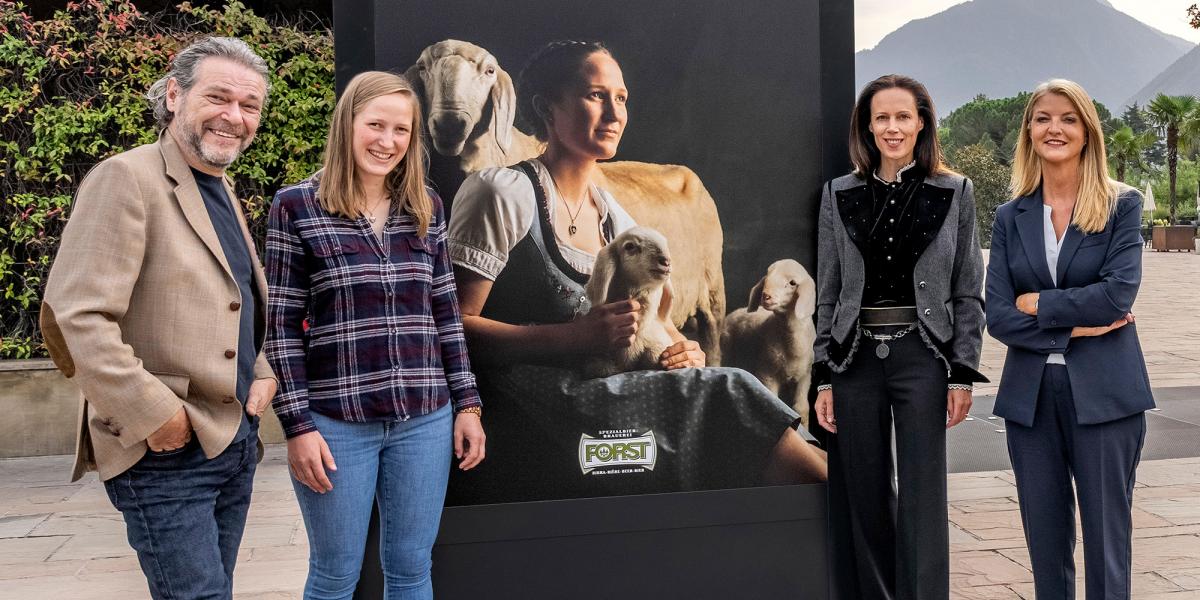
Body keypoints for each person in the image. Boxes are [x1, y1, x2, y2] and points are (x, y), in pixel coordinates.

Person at [445, 40, 826, 504]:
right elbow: (452, 328)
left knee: (724, 391)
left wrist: (684, 351)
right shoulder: (500, 192)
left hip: (604, 390)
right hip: (536, 405)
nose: (614, 113)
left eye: (621, 98)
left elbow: (658, 323)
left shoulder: (613, 215)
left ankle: (842, 511)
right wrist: (572, 338)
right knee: (732, 393)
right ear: (547, 107)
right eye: (595, 95)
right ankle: (850, 518)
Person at [38, 37, 277, 599]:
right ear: (174, 95)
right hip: (166, 452)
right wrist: (159, 416)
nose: (234, 117)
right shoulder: (127, 178)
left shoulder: (220, 187)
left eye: (249, 106)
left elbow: (234, 298)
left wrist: (262, 368)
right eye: (218, 97)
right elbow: (74, 318)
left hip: (232, 440)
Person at [265, 71, 485, 600]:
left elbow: (445, 317)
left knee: (411, 569)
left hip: (424, 421)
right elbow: (279, 328)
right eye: (375, 125)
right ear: (347, 125)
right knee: (335, 575)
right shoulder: (296, 206)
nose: (387, 141)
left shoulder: (425, 207)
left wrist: (468, 405)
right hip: (336, 425)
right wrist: (297, 427)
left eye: (401, 130)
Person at [812, 74, 986, 599]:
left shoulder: (955, 192)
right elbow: (828, 293)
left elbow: (967, 292)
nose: (892, 127)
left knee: (922, 496)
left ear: (922, 123)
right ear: (867, 126)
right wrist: (824, 377)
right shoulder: (838, 194)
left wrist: (961, 372)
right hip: (854, 360)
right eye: (881, 117)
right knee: (863, 493)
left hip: (924, 357)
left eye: (903, 117)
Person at [985, 79, 1152, 600]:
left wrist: (1041, 304)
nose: (1054, 128)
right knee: (1045, 544)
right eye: (1042, 118)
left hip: (1106, 396)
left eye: (1068, 118)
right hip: (1029, 401)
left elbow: (1117, 297)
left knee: (1107, 541)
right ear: (1028, 131)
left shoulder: (1120, 205)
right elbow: (998, 316)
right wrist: (1078, 321)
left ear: (1087, 131)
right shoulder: (1009, 216)